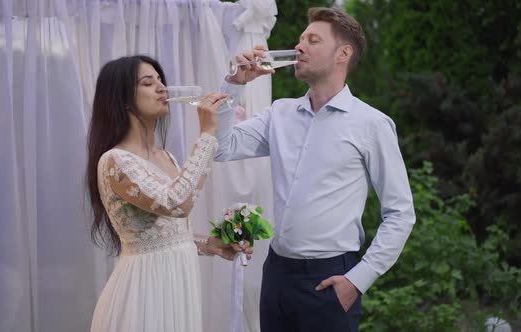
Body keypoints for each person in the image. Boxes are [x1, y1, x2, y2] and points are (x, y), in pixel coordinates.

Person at [214, 7, 416, 332]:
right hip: (277, 275)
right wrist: (234, 84)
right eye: (300, 39)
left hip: (331, 283)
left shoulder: (372, 124)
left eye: (312, 40)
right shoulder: (278, 114)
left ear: (343, 54)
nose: (299, 47)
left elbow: (401, 213)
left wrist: (358, 280)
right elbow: (222, 148)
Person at [85, 55, 252, 332]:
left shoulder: (166, 157)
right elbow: (176, 204)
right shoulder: (116, 161)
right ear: (123, 99)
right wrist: (208, 133)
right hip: (144, 291)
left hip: (176, 285)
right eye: (148, 83)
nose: (162, 88)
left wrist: (208, 244)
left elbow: (166, 233)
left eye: (161, 81)